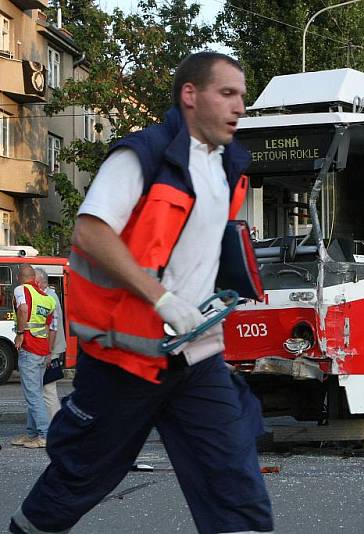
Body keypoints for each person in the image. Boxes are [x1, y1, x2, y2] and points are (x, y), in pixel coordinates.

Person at [10, 52, 273, 534]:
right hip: (124, 360)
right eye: (227, 93)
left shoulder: (229, 166)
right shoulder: (144, 154)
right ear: (190, 96)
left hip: (195, 357)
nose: (240, 107)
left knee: (234, 480)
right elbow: (91, 233)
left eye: (242, 95)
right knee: (81, 477)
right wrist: (163, 299)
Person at [9, 265, 56, 449]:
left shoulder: (21, 289)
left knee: (33, 396)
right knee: (34, 393)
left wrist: (20, 333)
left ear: (21, 277)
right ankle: (31, 434)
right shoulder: (47, 298)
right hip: (42, 350)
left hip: (29, 348)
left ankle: (44, 435)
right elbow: (49, 326)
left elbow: (23, 309)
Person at [34, 268, 66, 422]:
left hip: (49, 349)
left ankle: (56, 426)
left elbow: (52, 328)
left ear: (38, 282)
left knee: (48, 390)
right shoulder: (49, 295)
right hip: (49, 348)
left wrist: (47, 352)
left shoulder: (48, 297)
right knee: (45, 390)